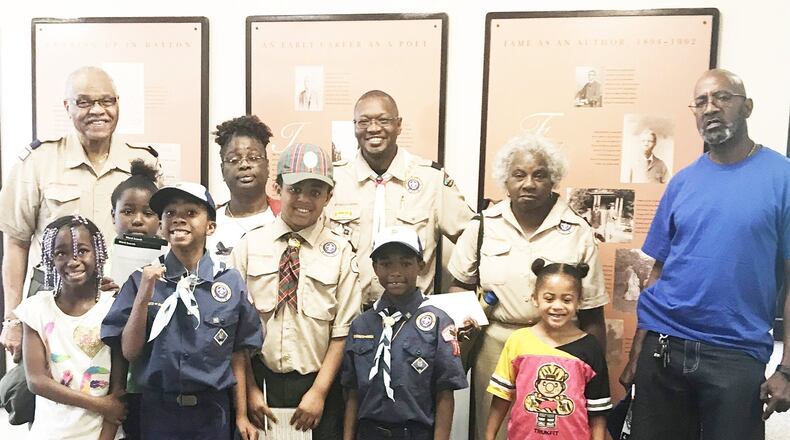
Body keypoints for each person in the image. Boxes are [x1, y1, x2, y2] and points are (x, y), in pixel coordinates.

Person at [619, 69, 790, 440]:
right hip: (664, 348)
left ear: (747, 107)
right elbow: (658, 272)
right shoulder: (682, 182)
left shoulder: (782, 178)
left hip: (735, 355)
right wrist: (636, 355)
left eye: (722, 98)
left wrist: (787, 369)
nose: (711, 108)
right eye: (701, 102)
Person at [448, 133, 608, 440]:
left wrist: (595, 371)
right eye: (519, 175)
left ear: (553, 180)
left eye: (539, 175)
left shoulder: (578, 231)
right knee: (491, 429)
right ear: (505, 181)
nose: (529, 184)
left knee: (554, 427)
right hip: (496, 344)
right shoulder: (483, 225)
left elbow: (592, 313)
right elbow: (459, 284)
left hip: (563, 349)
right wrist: (467, 318)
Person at [0, 66, 160, 362]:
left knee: (118, 395)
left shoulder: (143, 161)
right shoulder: (38, 161)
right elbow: (16, 243)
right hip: (53, 297)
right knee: (32, 392)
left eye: (107, 101)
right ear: (67, 106)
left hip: (121, 298)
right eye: (84, 102)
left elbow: (160, 235)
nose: (97, 111)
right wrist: (13, 319)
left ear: (117, 103)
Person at [101, 182, 263, 440]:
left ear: (210, 226)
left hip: (213, 411)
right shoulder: (140, 281)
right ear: (161, 225)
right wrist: (144, 294)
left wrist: (241, 415)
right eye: (169, 213)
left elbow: (238, 354)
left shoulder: (230, 283)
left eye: (190, 213)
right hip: (157, 409)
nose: (178, 219)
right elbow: (130, 352)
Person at [229, 143, 362, 439]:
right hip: (260, 383)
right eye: (295, 189)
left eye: (315, 191)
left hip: (318, 387)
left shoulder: (340, 252)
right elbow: (235, 330)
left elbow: (342, 332)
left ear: (328, 196)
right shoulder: (249, 246)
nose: (304, 199)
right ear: (277, 188)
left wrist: (319, 392)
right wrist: (249, 389)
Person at [328, 90, 474, 307]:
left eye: (383, 120)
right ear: (355, 127)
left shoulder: (430, 179)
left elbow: (472, 233)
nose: (374, 128)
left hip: (413, 318)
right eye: (364, 121)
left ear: (399, 125)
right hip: (349, 314)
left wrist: (461, 284)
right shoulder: (335, 180)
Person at [341, 226, 468, 440]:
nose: (396, 272)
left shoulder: (438, 322)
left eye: (406, 263)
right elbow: (352, 392)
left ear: (421, 265)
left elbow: (445, 393)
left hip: (415, 434)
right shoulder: (362, 324)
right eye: (386, 264)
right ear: (374, 267)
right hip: (368, 433)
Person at [14, 215, 125, 440]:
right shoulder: (37, 308)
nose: (73, 261)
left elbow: (118, 394)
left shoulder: (114, 308)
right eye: (61, 253)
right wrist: (100, 405)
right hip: (49, 433)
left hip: (99, 434)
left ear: (99, 254)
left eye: (82, 251)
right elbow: (37, 381)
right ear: (49, 259)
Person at [485, 259, 611, 440]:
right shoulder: (518, 341)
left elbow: (597, 413)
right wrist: (489, 436)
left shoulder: (590, 348)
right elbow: (501, 397)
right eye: (549, 298)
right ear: (535, 298)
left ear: (578, 302)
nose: (557, 306)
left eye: (567, 299)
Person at [107, 160, 162, 440]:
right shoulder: (95, 267)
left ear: (161, 219)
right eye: (127, 211)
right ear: (113, 215)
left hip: (147, 383)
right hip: (103, 380)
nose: (138, 220)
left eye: (148, 213)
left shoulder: (169, 268)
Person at [208, 115, 280, 263]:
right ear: (222, 170)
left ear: (267, 166)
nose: (244, 165)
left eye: (253, 158)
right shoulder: (207, 222)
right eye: (234, 160)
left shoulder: (285, 217)